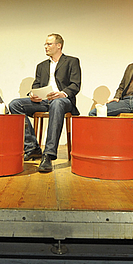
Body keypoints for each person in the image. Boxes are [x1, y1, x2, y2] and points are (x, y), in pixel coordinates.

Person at [9, 34, 81, 173]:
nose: (46, 47)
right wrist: (33, 94)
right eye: (45, 44)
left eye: (49, 44)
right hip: (44, 100)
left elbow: (75, 85)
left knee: (57, 103)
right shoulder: (41, 66)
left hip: (63, 100)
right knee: (15, 104)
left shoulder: (71, 61)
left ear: (58, 45)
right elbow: (36, 85)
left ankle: (48, 154)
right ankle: (32, 147)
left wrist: (62, 93)